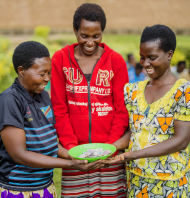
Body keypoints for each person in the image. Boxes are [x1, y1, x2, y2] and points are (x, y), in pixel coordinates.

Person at [0, 41, 103, 198]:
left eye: (49, 72)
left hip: (45, 186)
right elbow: (19, 154)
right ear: (21, 71)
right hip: (18, 189)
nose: (47, 78)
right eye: (42, 74)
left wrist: (72, 156)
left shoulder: (43, 97)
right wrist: (69, 164)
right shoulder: (10, 100)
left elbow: (48, 141)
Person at [51, 3, 129, 198]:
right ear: (75, 30)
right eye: (84, 35)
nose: (90, 42)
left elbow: (121, 109)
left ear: (102, 32)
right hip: (76, 157)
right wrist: (72, 150)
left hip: (110, 156)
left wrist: (109, 147)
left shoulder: (116, 61)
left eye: (96, 36)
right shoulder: (60, 60)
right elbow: (59, 109)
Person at [103, 25, 190, 197]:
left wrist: (134, 154)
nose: (145, 64)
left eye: (152, 57)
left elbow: (181, 140)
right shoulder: (133, 90)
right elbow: (135, 132)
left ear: (169, 54)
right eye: (142, 58)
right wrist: (112, 148)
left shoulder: (183, 91)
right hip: (137, 180)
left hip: (170, 183)